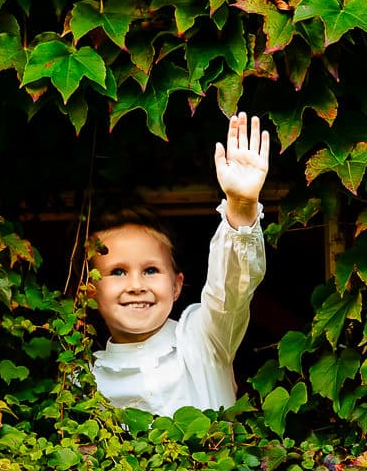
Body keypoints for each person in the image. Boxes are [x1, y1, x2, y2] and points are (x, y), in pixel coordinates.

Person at [87, 112, 272, 415]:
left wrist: (241, 206)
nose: (136, 286)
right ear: (91, 290)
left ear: (176, 285)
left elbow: (231, 290)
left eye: (151, 270)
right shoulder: (85, 379)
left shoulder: (203, 338)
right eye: (118, 272)